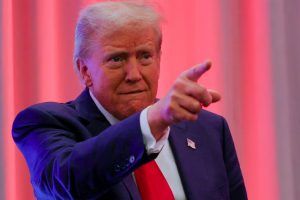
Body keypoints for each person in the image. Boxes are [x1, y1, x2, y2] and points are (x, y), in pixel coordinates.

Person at [12, 1, 247, 199]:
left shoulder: (209, 130)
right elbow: (68, 182)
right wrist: (151, 122)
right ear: (84, 70)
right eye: (117, 59)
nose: (134, 75)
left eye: (145, 56)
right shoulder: (43, 123)